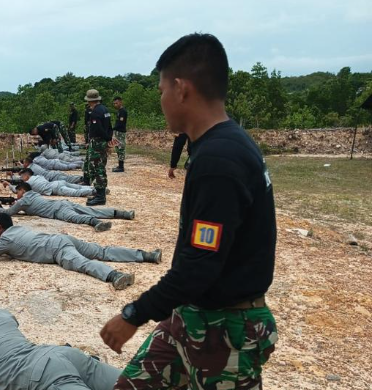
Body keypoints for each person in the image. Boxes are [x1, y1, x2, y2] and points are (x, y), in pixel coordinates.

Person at [99, 33, 278, 390]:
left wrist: (134, 314)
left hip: (226, 332)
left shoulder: (219, 160)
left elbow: (199, 265)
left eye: (162, 90)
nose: (161, 100)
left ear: (181, 88)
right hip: (191, 315)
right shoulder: (216, 147)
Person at [0, 214, 137, 289]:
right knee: (101, 251)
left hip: (56, 249)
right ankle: (145, 255)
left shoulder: (6, 240)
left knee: (83, 264)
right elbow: (14, 247)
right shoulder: (16, 230)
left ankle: (115, 276)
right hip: (61, 239)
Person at [0, 184, 163, 252]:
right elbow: (21, 206)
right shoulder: (32, 195)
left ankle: (95, 223)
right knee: (94, 210)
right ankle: (123, 213)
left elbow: (9, 213)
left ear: (23, 191)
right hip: (62, 203)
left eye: (18, 191)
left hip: (57, 211)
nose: (17, 195)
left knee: (77, 218)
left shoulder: (25, 199)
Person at [84, 89, 112, 206]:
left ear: (90, 101)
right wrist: (108, 139)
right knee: (100, 166)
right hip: (103, 141)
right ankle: (99, 194)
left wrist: (104, 139)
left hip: (97, 142)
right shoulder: (105, 109)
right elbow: (109, 127)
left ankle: (100, 196)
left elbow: (98, 129)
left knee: (97, 168)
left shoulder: (95, 112)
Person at [3, 168, 96, 197]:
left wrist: (8, 184)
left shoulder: (28, 183)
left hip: (56, 188)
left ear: (27, 176)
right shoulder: (37, 177)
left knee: (76, 193)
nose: (21, 178)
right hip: (58, 183)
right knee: (78, 187)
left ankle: (94, 192)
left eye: (22, 176)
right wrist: (12, 177)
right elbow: (19, 181)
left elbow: (16, 190)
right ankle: (93, 188)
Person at [111, 97, 128, 173]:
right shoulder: (119, 111)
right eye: (114, 103)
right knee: (118, 148)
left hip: (120, 132)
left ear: (121, 102)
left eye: (116, 103)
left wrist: (113, 128)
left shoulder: (123, 111)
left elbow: (121, 123)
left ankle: (121, 167)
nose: (115, 105)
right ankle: (119, 165)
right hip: (117, 132)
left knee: (121, 148)